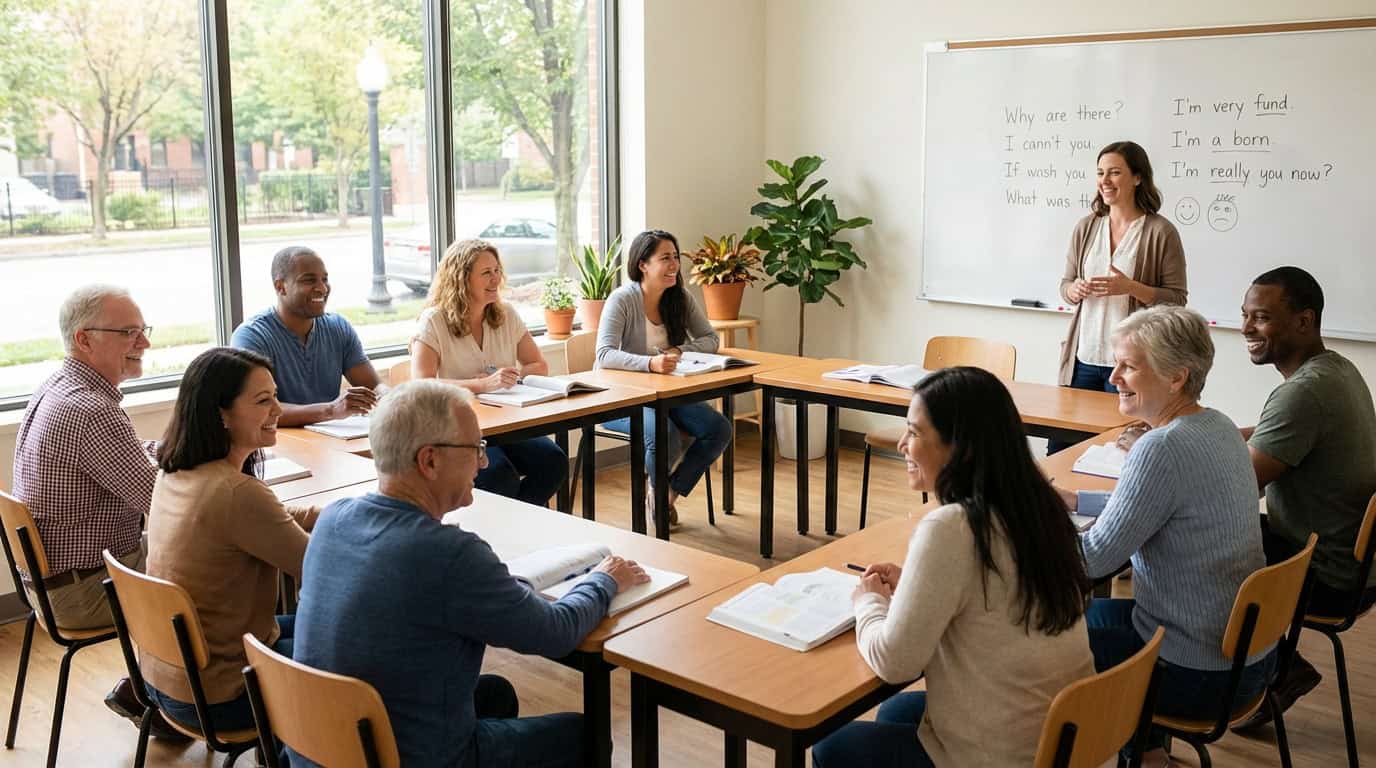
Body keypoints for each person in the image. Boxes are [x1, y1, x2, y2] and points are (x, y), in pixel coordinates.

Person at [291, 380, 647, 766]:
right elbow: (555, 632)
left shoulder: (333, 519)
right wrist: (605, 578)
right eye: (475, 449)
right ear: (429, 460)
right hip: (406, 757)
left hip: (320, 747)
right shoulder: (449, 554)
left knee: (495, 694)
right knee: (584, 736)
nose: (484, 462)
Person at [811, 367, 1094, 767]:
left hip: (1007, 756)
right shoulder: (1038, 504)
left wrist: (869, 603)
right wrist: (915, 583)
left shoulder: (953, 527)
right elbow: (996, 595)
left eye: (915, 432)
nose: (902, 445)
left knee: (832, 747)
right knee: (898, 713)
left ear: (960, 447)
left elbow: (895, 663)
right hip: (1071, 743)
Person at [1064, 306, 1274, 767]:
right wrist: (1078, 501)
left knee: (1045, 642)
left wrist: (1021, 531)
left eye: (1129, 366)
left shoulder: (1160, 448)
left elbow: (1091, 562)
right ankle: (1150, 754)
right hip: (1245, 660)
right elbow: (1163, 506)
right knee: (1087, 616)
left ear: (1176, 377)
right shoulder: (1217, 425)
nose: (1114, 376)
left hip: (1194, 674)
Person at [11, 285, 187, 740]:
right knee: (226, 565)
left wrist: (164, 451)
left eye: (143, 330)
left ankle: (153, 688)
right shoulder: (91, 410)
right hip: (85, 589)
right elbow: (163, 506)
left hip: (50, 584)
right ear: (84, 339)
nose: (144, 343)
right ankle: (179, 701)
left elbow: (117, 460)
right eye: (129, 332)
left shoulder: (59, 386)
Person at [142, 347, 318, 732]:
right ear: (221, 413)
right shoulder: (235, 494)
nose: (278, 410)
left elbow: (275, 519)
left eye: (275, 395)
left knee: (319, 630)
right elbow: (321, 572)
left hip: (170, 678)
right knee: (366, 660)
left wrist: (347, 515)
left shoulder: (175, 472)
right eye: (263, 400)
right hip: (225, 693)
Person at [1232, 267, 1376, 730]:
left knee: (1201, 548)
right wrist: (1200, 437)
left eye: (1262, 317)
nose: (1248, 328)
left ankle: (1272, 673)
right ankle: (1276, 670)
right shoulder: (1336, 370)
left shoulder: (1304, 393)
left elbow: (1240, 488)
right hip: (1353, 563)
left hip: (1325, 573)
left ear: (1303, 321)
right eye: (1245, 315)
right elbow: (1270, 437)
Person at [1052, 140, 1187, 453]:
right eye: (1100, 173)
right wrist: (1073, 290)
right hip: (1082, 358)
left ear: (1137, 178)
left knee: (1119, 450)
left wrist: (1131, 287)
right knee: (1061, 449)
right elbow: (1066, 284)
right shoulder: (1086, 228)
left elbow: (1177, 300)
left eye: (1114, 172)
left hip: (1132, 364)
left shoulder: (1160, 231)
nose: (1105, 181)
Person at [410, 238, 566, 506]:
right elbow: (421, 384)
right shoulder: (434, 321)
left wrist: (512, 377)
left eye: (497, 271)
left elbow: (537, 364)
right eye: (486, 273)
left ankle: (518, 528)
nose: (495, 279)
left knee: (553, 461)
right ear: (461, 279)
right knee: (497, 475)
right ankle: (505, 535)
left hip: (506, 421)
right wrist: (481, 384)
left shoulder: (505, 314)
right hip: (458, 429)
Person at [594, 229, 732, 524]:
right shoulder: (622, 299)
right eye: (665, 258)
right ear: (643, 264)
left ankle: (666, 493)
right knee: (664, 433)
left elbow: (710, 339)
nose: (674, 265)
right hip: (621, 399)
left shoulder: (679, 297)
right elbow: (604, 355)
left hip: (668, 395)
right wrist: (650, 364)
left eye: (676, 257)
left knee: (718, 429)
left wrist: (679, 350)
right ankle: (657, 494)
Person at [231, 245, 384, 426]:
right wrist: (331, 410)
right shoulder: (252, 336)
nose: (322, 288)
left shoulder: (339, 327)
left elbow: (374, 386)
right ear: (281, 287)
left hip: (331, 440)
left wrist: (388, 396)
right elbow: (256, 409)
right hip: (277, 444)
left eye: (324, 279)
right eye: (309, 280)